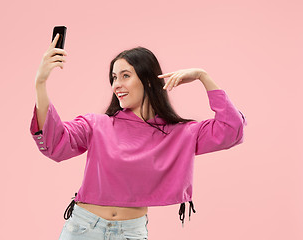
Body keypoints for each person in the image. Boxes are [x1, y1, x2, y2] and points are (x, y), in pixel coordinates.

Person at [30, 33, 247, 240]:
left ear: (149, 80)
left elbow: (232, 130)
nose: (117, 85)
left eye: (125, 76)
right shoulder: (97, 124)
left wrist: (203, 76)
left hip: (130, 233)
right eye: (114, 77)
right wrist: (40, 84)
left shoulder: (180, 134)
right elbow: (54, 144)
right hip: (83, 228)